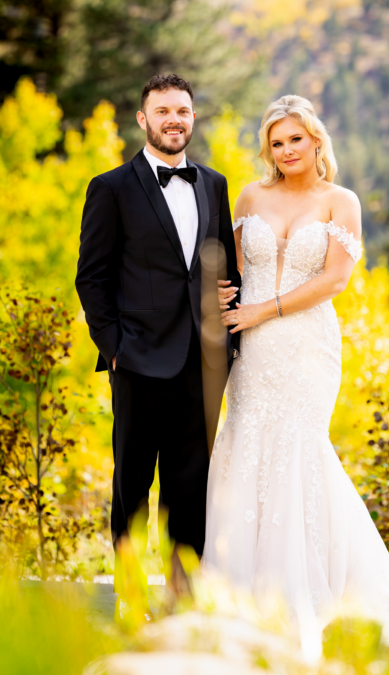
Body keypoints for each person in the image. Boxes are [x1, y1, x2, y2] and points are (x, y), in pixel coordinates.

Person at [201, 95, 389, 651]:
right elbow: (241, 272)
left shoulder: (341, 201)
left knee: (299, 448)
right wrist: (225, 299)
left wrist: (263, 310)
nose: (287, 150)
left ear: (316, 140)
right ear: (268, 150)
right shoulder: (249, 196)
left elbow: (335, 280)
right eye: (277, 142)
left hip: (306, 344)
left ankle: (307, 592)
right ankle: (238, 589)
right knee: (246, 444)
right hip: (254, 346)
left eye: (296, 139)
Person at [76, 74, 240, 608]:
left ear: (194, 118)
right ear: (143, 119)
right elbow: (92, 277)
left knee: (189, 487)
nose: (175, 120)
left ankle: (181, 599)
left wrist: (226, 341)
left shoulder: (213, 183)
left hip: (201, 361)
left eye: (184, 111)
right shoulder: (111, 188)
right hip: (138, 358)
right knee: (132, 485)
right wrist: (114, 346)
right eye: (163, 111)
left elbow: (226, 271)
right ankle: (127, 596)